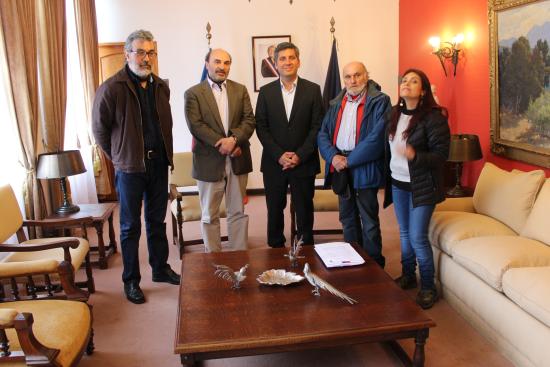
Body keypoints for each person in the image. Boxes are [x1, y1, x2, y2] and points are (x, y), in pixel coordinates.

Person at [92, 29, 180, 305]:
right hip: (129, 169)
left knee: (157, 221)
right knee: (130, 227)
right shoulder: (112, 88)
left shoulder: (160, 85)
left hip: (158, 165)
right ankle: (131, 280)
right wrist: (118, 157)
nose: (146, 58)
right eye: (140, 52)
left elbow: (165, 123)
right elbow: (100, 130)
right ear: (127, 54)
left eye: (150, 52)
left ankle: (160, 268)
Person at [383, 68, 450, 309]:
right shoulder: (394, 113)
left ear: (423, 91)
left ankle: (428, 287)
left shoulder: (434, 117)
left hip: (422, 185)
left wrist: (414, 155)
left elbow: (442, 156)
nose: (407, 84)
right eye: (404, 81)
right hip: (398, 182)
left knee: (417, 236)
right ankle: (408, 275)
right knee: (403, 232)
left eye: (413, 81)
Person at [318, 62, 390, 268]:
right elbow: (323, 134)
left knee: (368, 220)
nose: (353, 81)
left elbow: (377, 137)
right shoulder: (336, 103)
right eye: (348, 77)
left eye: (357, 75)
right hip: (340, 165)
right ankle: (353, 261)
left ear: (366, 76)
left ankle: (375, 266)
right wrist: (333, 157)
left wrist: (350, 160)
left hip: (363, 165)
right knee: (347, 218)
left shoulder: (380, 101)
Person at [184, 48, 255, 252]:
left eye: (226, 63)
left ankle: (238, 255)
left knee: (238, 211)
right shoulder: (193, 93)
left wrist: (233, 140)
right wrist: (222, 143)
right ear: (207, 64)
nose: (221, 67)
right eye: (217, 62)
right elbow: (196, 125)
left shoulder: (240, 90)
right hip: (208, 161)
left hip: (237, 158)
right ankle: (213, 258)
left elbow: (249, 120)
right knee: (209, 214)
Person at [256, 42, 324, 248]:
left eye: (291, 58)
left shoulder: (313, 90)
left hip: (304, 162)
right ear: (275, 64)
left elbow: (317, 127)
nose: (287, 62)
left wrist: (299, 155)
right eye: (282, 59)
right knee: (275, 208)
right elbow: (261, 126)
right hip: (273, 162)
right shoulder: (266, 92)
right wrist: (279, 155)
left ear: (298, 61)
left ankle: (305, 246)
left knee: (304, 208)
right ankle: (276, 247)